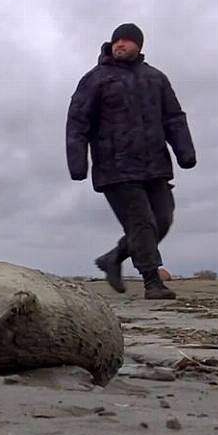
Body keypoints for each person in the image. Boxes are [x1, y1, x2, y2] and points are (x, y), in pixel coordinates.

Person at [67, 23, 196, 300]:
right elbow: (78, 122)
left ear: (139, 45)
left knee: (162, 219)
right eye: (117, 41)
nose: (120, 45)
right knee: (142, 223)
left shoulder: (156, 78)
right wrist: (78, 163)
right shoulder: (96, 79)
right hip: (116, 168)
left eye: (126, 41)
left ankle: (113, 258)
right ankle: (152, 281)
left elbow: (173, 117)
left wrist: (185, 151)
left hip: (155, 166)